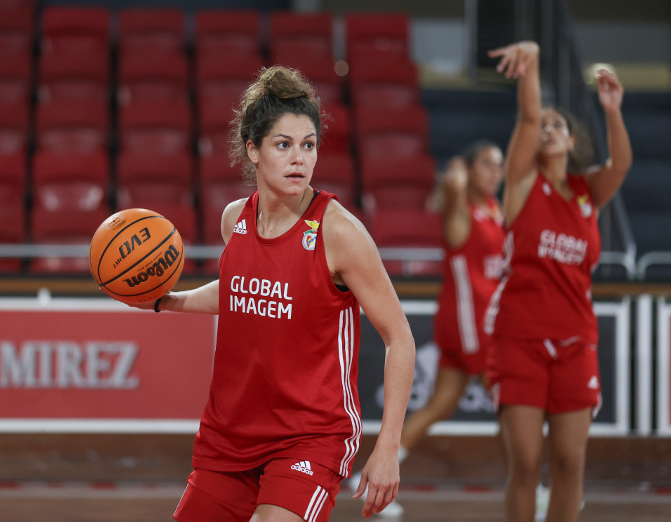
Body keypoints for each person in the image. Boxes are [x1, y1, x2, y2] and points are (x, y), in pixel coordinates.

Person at [147, 65, 416, 521]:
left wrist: (388, 446)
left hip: (308, 436)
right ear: (253, 150)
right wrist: (167, 300)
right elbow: (241, 290)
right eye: (283, 145)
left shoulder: (340, 232)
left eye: (309, 145)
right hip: (230, 433)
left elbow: (400, 338)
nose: (299, 158)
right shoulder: (236, 220)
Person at [483, 41, 632, 522]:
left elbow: (622, 165)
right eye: (544, 125)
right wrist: (531, 63)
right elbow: (528, 120)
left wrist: (612, 111)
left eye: (559, 125)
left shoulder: (588, 192)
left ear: (572, 143)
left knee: (571, 463)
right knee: (525, 463)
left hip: (575, 341)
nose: (548, 128)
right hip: (519, 339)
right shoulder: (522, 183)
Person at [348, 142, 506, 518]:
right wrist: (454, 181)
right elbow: (452, 197)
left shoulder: (493, 208)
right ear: (468, 171)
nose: (495, 173)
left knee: (439, 405)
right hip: (470, 323)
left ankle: (366, 479)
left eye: (499, 166)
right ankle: (536, 487)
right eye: (486, 165)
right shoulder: (461, 208)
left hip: (477, 321)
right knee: (511, 406)